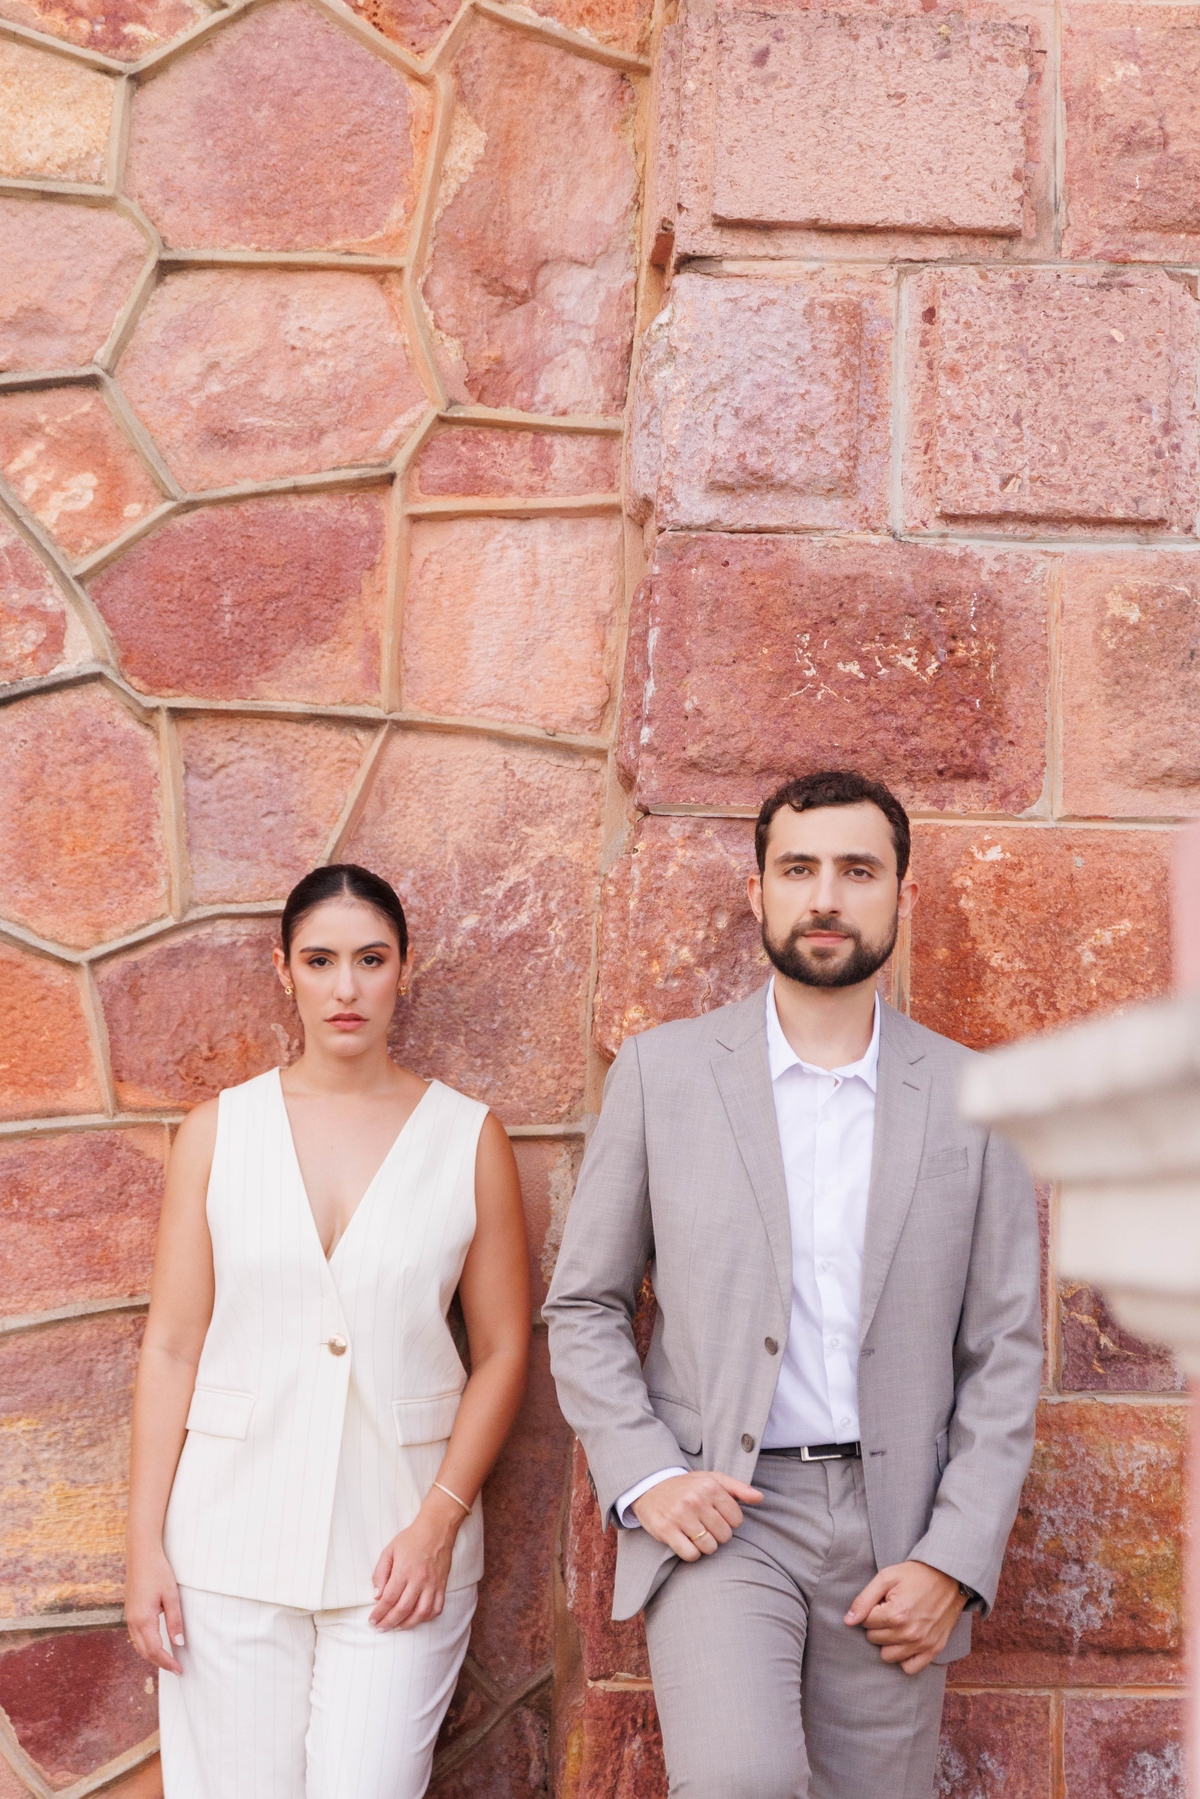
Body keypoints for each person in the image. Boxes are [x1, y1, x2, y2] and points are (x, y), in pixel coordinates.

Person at [545, 770, 1042, 1799]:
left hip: (898, 1530)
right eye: (798, 868)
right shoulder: (664, 1074)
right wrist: (647, 1474)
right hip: (725, 1509)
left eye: (858, 870)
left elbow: (1005, 1350)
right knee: (741, 1778)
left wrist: (953, 1557)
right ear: (757, 890)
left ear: (903, 892)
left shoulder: (975, 1097)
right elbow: (585, 1303)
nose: (825, 896)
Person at [125, 863, 530, 1799]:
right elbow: (173, 1345)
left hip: (400, 1550)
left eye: (371, 959)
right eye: (320, 960)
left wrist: (438, 1521)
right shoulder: (217, 1132)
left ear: (404, 969)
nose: (346, 986)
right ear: (285, 971)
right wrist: (145, 1544)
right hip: (224, 1545)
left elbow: (504, 1350)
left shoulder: (468, 1137)